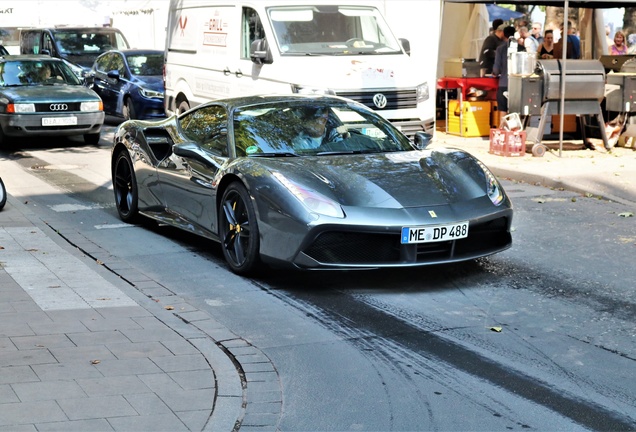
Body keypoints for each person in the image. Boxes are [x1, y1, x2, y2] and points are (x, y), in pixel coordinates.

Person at [492, 26, 517, 118]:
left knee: (503, 110)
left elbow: (496, 69)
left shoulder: (500, 49)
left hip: (504, 83)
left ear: (504, 34)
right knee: (516, 111)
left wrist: (495, 73)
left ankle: (503, 129)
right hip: (518, 84)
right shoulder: (521, 48)